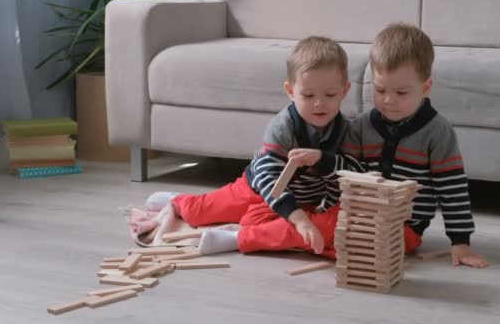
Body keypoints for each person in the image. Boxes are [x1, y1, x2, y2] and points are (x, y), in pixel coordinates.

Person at [145, 36, 362, 259]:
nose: (319, 103)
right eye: (308, 95)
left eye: (330, 95)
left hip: (304, 200)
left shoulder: (347, 130)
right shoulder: (283, 126)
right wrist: (299, 218)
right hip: (257, 188)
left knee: (257, 224)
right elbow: (268, 177)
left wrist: (322, 160)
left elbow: (353, 174)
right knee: (200, 212)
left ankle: (251, 228)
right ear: (290, 91)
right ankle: (178, 200)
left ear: (344, 91)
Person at [341, 23, 489, 268]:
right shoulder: (359, 128)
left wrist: (460, 243)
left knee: (355, 244)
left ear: (426, 87)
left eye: (401, 92)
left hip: (406, 228)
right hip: (360, 219)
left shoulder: (438, 131)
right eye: (380, 90)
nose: (389, 100)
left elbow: (452, 190)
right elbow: (345, 179)